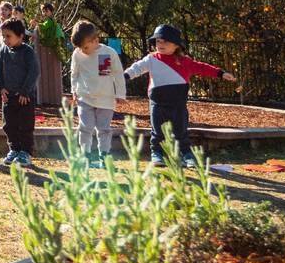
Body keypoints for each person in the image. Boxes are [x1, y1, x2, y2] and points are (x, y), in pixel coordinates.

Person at [122, 24, 237, 168]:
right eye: (158, 41)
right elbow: (137, 68)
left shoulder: (184, 61)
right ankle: (157, 153)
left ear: (176, 45)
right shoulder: (151, 59)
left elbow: (202, 67)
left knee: (181, 131)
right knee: (157, 131)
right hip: (158, 103)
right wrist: (125, 75)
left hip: (178, 104)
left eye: (165, 41)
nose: (160, 44)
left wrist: (220, 73)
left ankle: (186, 154)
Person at [68, 21, 125, 165]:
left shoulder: (107, 53)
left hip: (105, 99)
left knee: (103, 129)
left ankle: (104, 155)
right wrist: (74, 90)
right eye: (80, 47)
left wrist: (120, 93)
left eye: (86, 47)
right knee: (85, 127)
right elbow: (74, 73)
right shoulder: (77, 54)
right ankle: (85, 154)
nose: (83, 50)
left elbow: (117, 74)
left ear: (96, 40)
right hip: (85, 97)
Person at [0, 17, 40, 167]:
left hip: (24, 98)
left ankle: (25, 152)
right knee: (9, 125)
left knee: (25, 125)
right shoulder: (3, 51)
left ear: (20, 36)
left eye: (9, 36)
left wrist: (25, 91)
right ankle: (14, 149)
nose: (5, 39)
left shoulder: (28, 52)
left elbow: (33, 72)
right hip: (8, 97)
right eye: (4, 36)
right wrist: (1, 87)